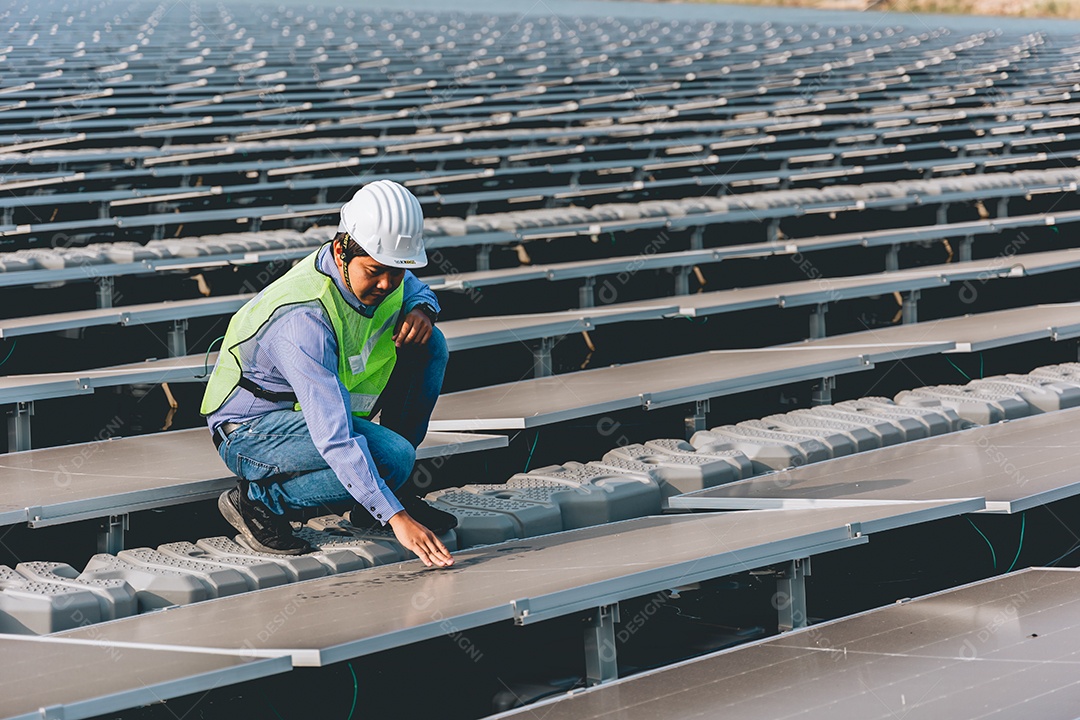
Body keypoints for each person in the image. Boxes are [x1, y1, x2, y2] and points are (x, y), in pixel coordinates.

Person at [201, 179, 455, 567]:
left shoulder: (384, 275)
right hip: (252, 431)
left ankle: (384, 491)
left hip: (309, 415)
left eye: (397, 272)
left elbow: (415, 286)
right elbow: (334, 437)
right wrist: (396, 518)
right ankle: (258, 502)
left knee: (430, 343)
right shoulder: (303, 317)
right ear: (341, 250)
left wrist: (423, 309)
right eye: (375, 271)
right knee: (392, 457)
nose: (387, 284)